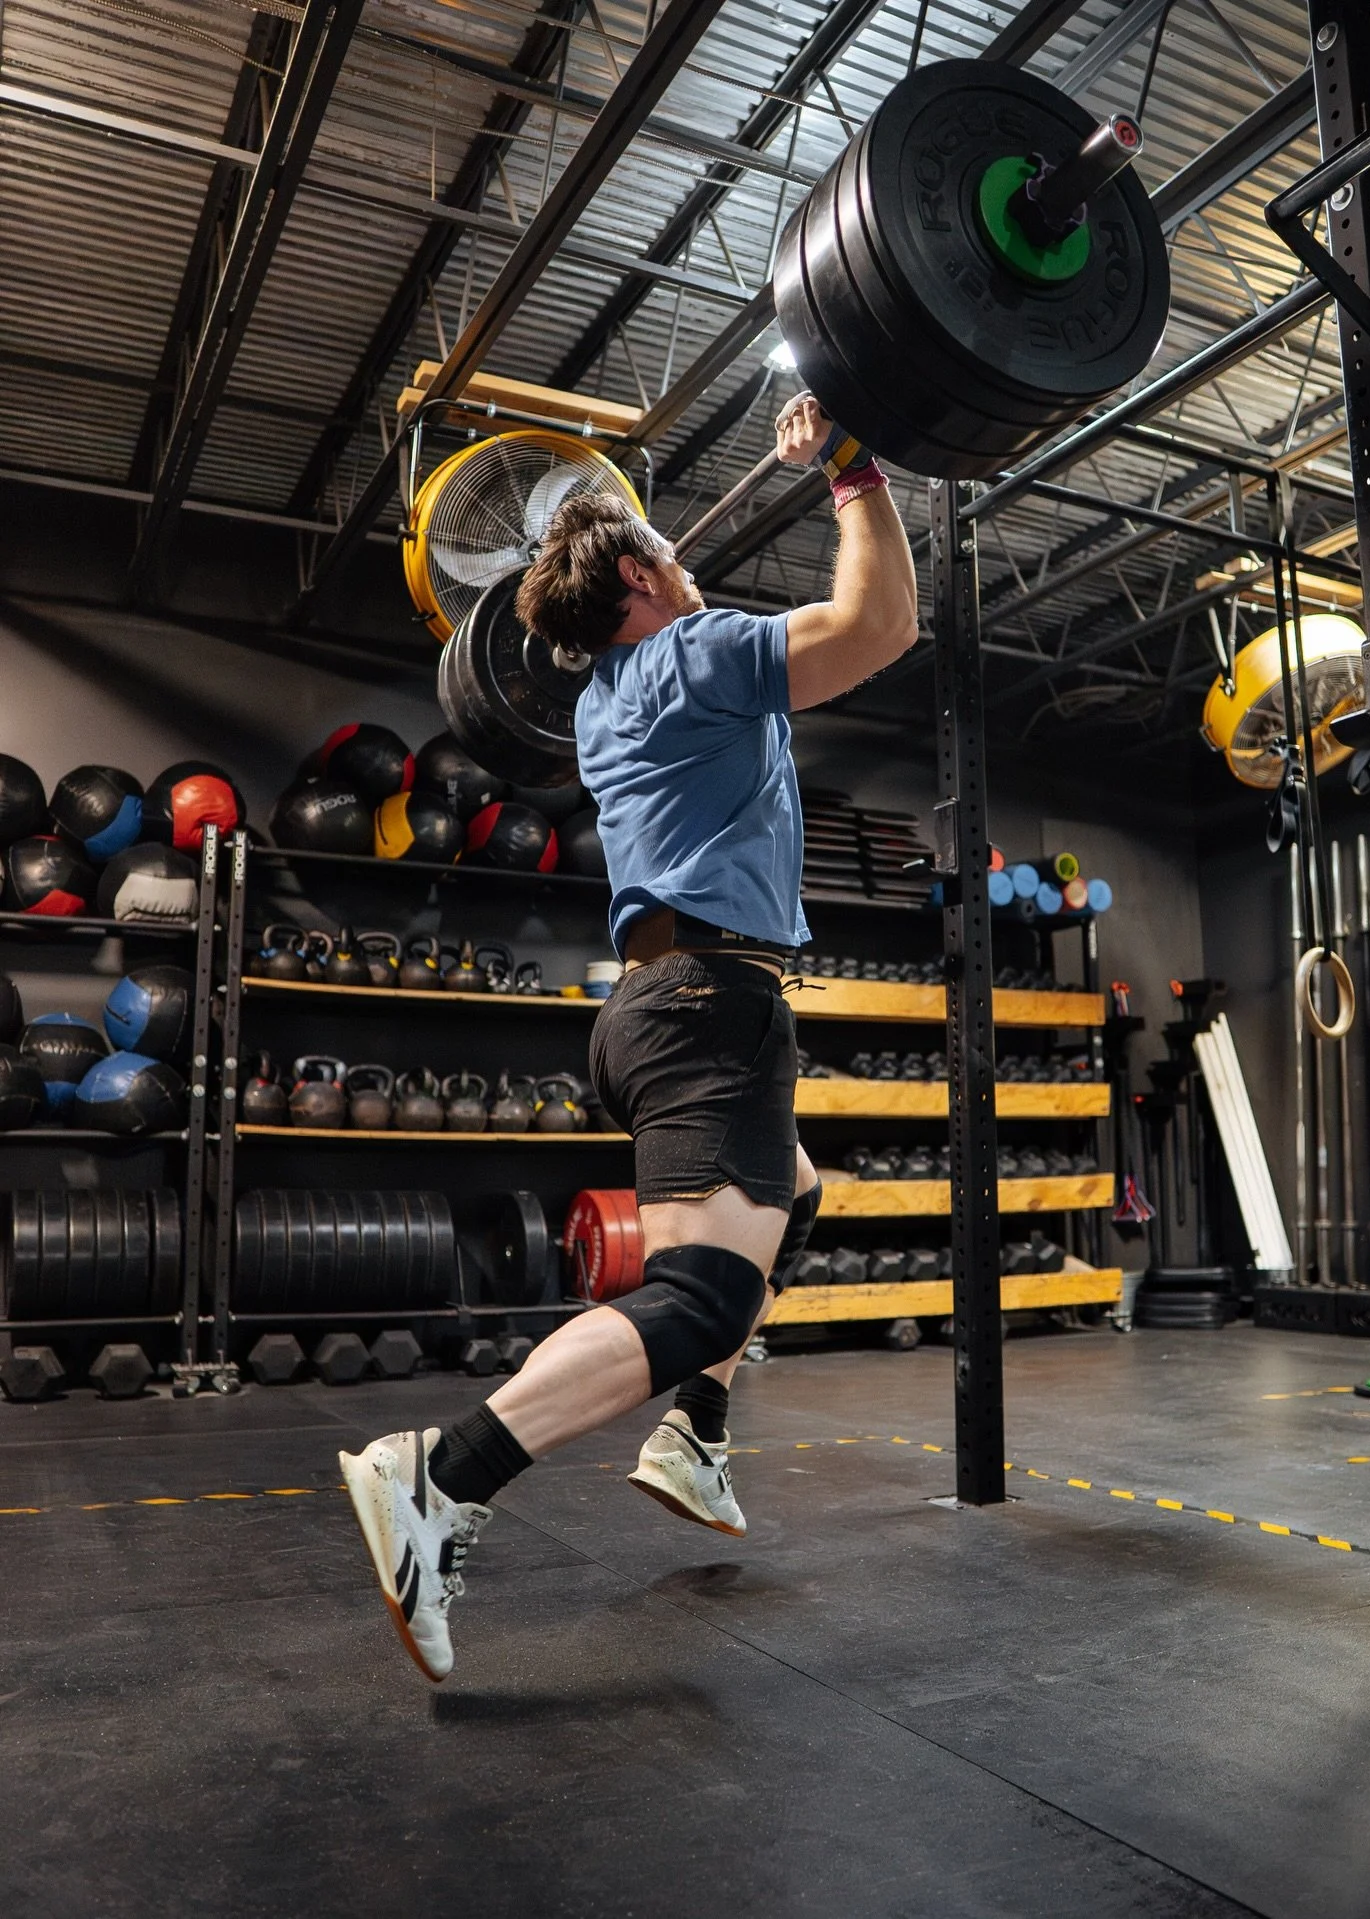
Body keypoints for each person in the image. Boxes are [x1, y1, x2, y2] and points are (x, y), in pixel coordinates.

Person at [340, 392, 919, 1683]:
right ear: (650, 574)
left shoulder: (605, 697)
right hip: (710, 1004)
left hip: (657, 1009)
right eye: (668, 554)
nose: (688, 564)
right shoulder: (692, 653)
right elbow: (881, 626)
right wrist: (852, 471)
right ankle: (442, 1473)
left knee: (797, 1197)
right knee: (704, 1291)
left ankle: (696, 1428)